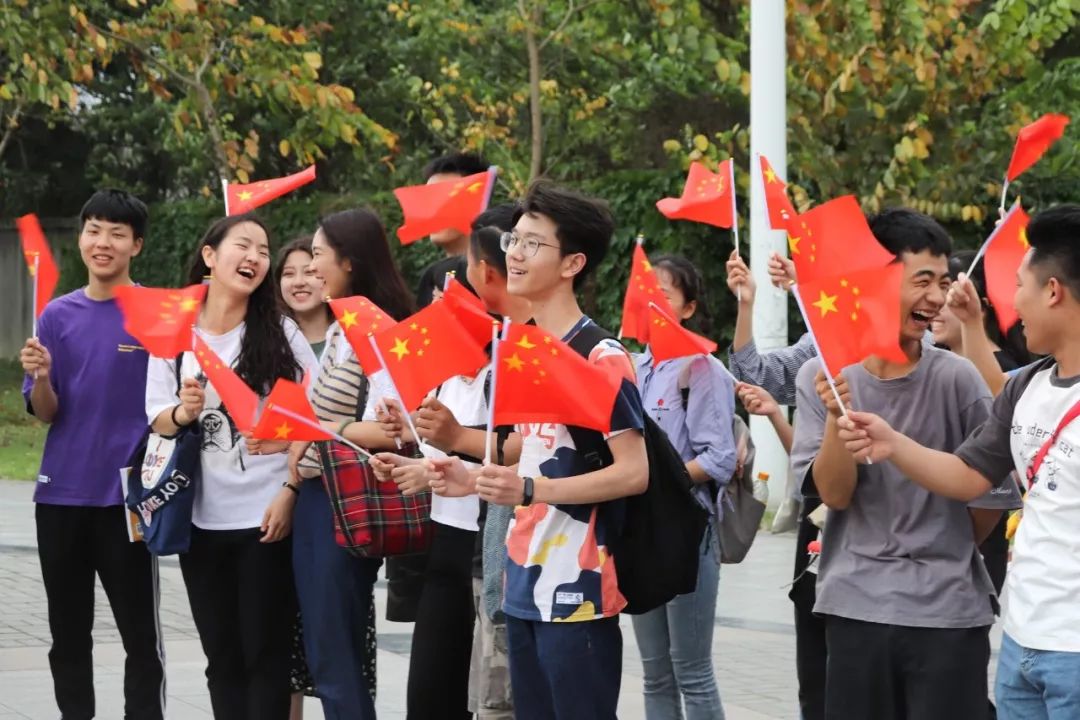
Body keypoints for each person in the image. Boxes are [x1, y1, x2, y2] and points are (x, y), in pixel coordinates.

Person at [836, 205, 1080, 720]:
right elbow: (971, 474)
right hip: (1022, 642)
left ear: (1053, 291)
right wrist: (890, 442)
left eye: (1020, 286)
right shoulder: (1027, 386)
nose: (1013, 303)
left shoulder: (967, 379)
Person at [790, 208, 1020, 720]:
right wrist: (835, 416)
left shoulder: (958, 379)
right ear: (875, 280)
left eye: (942, 282)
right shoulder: (821, 375)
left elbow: (991, 498)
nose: (936, 299)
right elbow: (834, 494)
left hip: (947, 615)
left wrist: (944, 544)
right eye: (922, 282)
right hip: (853, 609)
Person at [431, 180, 648, 719]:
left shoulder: (600, 355)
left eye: (533, 244)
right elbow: (532, 448)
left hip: (580, 592)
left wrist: (532, 488)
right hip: (522, 582)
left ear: (573, 262)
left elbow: (634, 472)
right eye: (514, 240)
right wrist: (466, 471)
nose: (516, 255)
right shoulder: (520, 348)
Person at [145, 214, 318, 720]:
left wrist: (289, 488)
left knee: (265, 655)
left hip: (266, 519)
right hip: (199, 521)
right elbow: (156, 417)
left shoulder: (280, 331)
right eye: (243, 246)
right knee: (220, 656)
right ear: (209, 256)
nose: (255, 258)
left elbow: (313, 418)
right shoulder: (175, 331)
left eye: (263, 251)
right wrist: (185, 411)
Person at [19, 189, 166, 720]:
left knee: (140, 639)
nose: (102, 243)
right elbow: (46, 411)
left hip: (128, 501)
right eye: (94, 230)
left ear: (136, 245)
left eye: (116, 233)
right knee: (67, 635)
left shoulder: (156, 315)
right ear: (81, 237)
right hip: (60, 496)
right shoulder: (55, 315)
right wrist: (39, 376)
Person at [288, 208, 414, 720]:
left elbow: (392, 427)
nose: (311, 265)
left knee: (335, 650)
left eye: (318, 254)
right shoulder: (342, 328)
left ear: (350, 261)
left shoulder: (378, 332)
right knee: (324, 649)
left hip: (347, 500)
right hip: (318, 497)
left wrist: (314, 433)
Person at [631, 254, 736, 720]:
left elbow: (720, 458)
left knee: (691, 670)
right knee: (654, 672)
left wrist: (661, 483)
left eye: (665, 295)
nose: (651, 302)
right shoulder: (630, 367)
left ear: (688, 309)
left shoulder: (701, 369)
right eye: (645, 293)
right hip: (639, 531)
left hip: (685, 530)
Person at [390, 151, 491, 623]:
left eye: (442, 195)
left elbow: (519, 444)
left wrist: (452, 440)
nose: (428, 206)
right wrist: (412, 427)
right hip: (443, 525)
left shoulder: (514, 335)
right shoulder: (437, 275)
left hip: (487, 532)